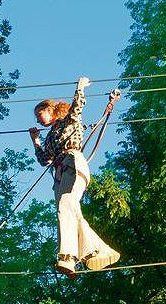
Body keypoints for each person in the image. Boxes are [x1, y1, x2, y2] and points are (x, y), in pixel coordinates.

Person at [29, 76, 120, 278]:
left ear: (50, 109)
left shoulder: (68, 121)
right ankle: (97, 249)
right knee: (69, 212)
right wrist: (35, 141)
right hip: (60, 174)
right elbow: (45, 160)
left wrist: (80, 88)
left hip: (73, 164)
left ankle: (68, 256)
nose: (37, 119)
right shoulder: (50, 136)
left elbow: (77, 107)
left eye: (39, 114)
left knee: (66, 205)